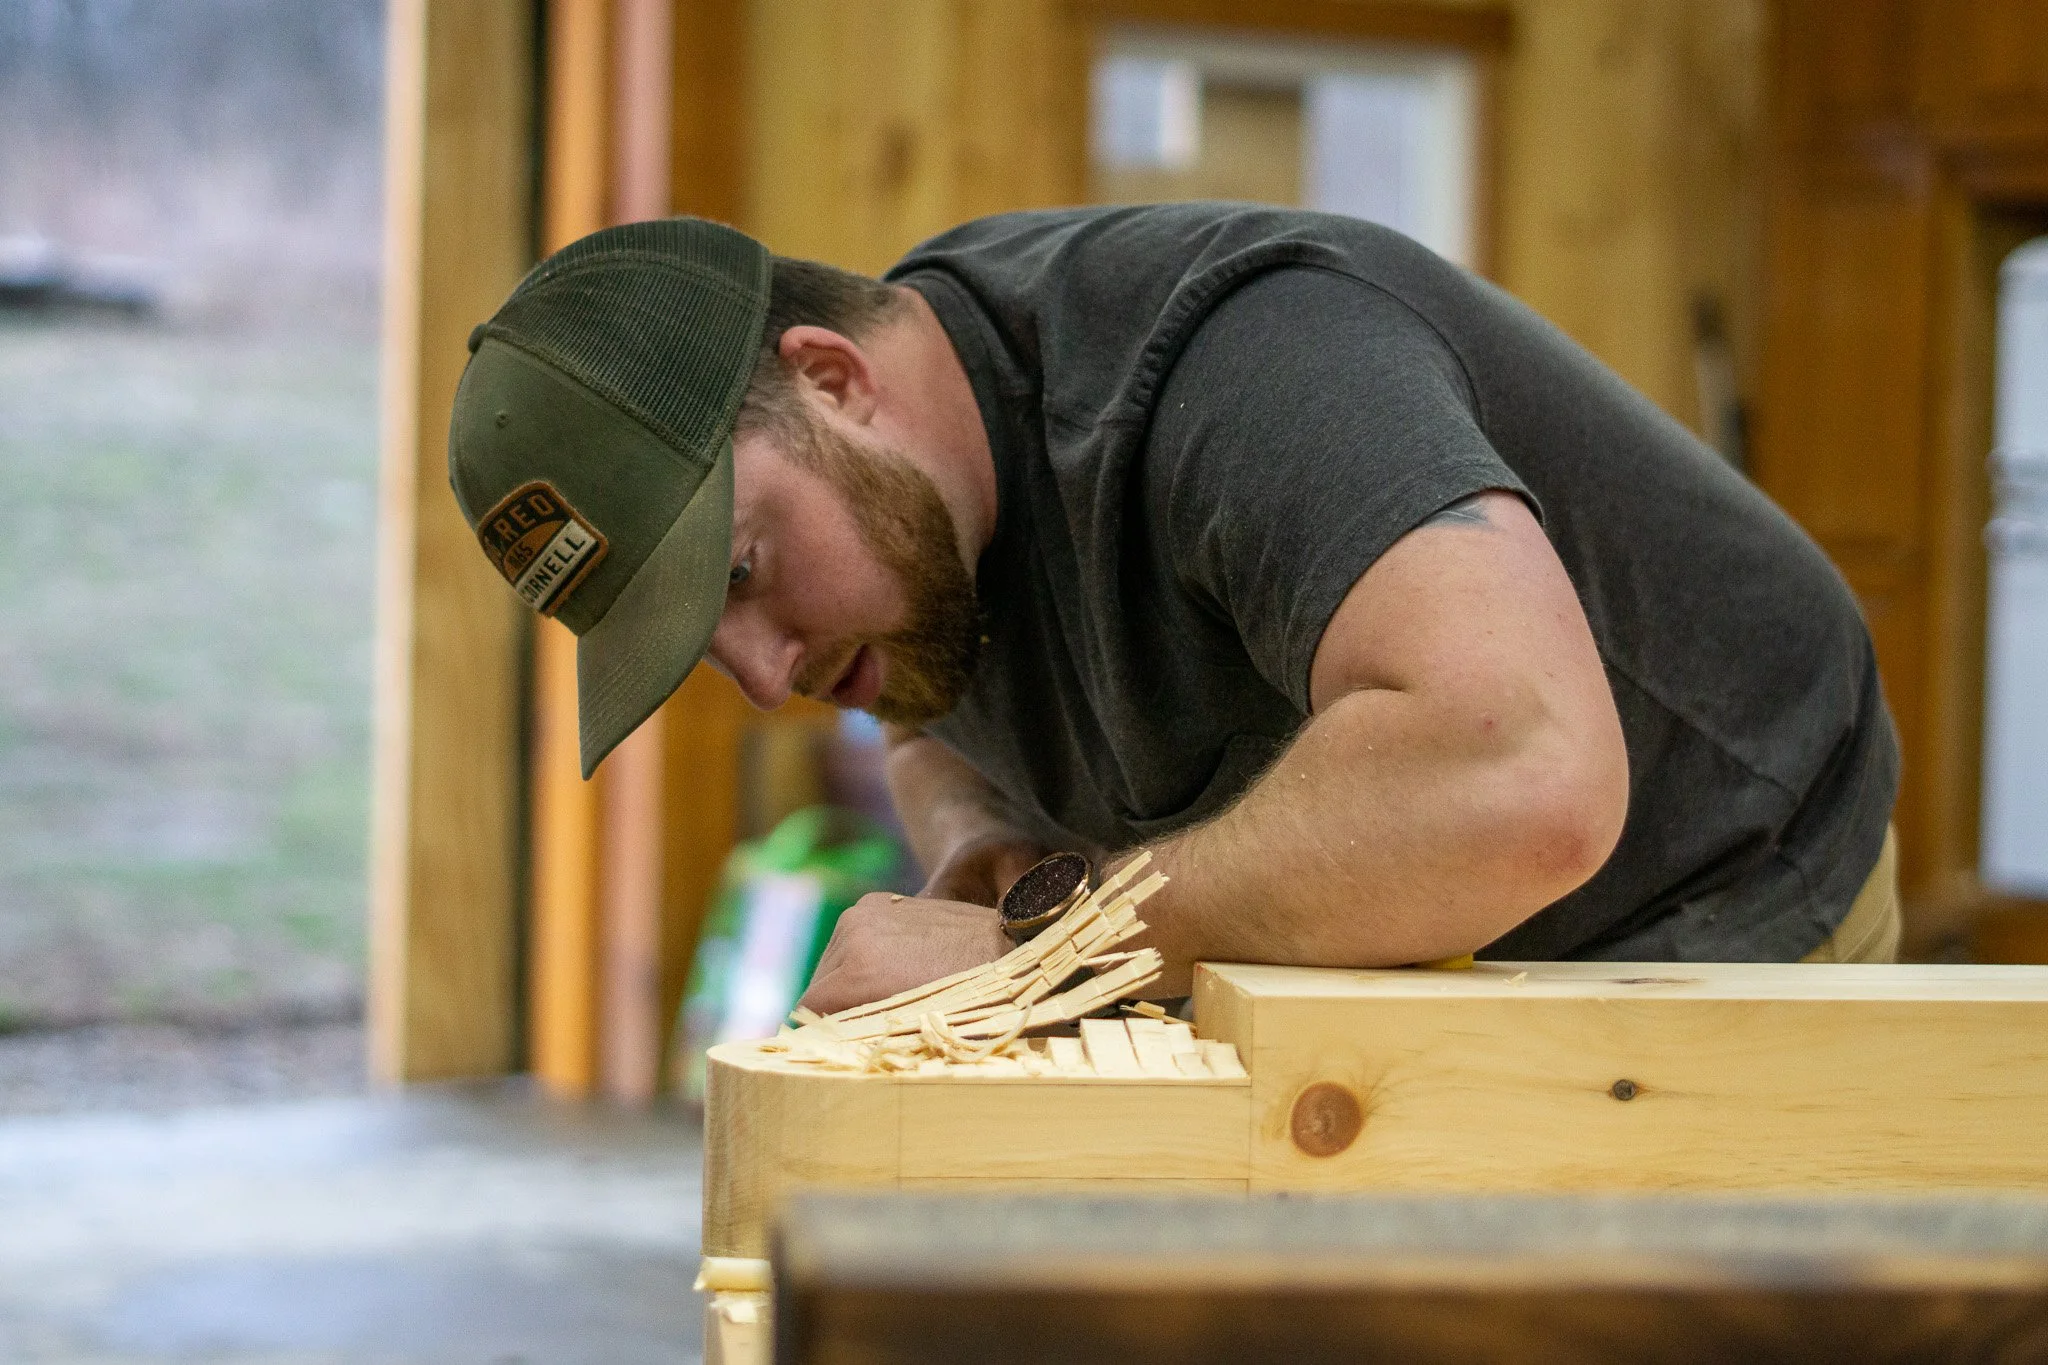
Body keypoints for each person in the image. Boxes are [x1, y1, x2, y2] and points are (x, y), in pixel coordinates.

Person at [447, 205, 1901, 1016]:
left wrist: (1042, 947)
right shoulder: (910, 530)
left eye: (745, 578)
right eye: (704, 653)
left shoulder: (1239, 362)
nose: (766, 678)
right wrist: (981, 846)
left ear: (833, 378)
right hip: (1425, 941)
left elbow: (1515, 776)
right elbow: (921, 709)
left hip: (1709, 888)